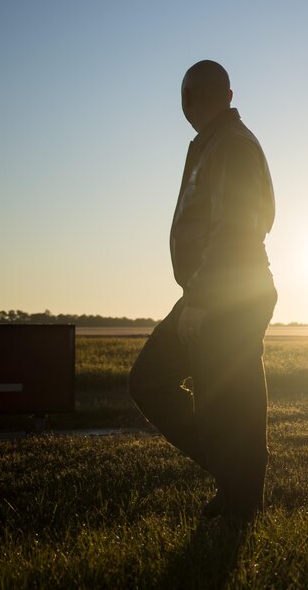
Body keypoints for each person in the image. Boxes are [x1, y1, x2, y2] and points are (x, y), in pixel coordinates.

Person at [128, 60, 278, 522]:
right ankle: (238, 483)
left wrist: (200, 299)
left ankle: (240, 491)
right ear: (229, 95)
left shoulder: (231, 145)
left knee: (206, 396)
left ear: (186, 99)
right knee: (227, 400)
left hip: (226, 292)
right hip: (220, 287)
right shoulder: (216, 144)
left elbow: (236, 227)